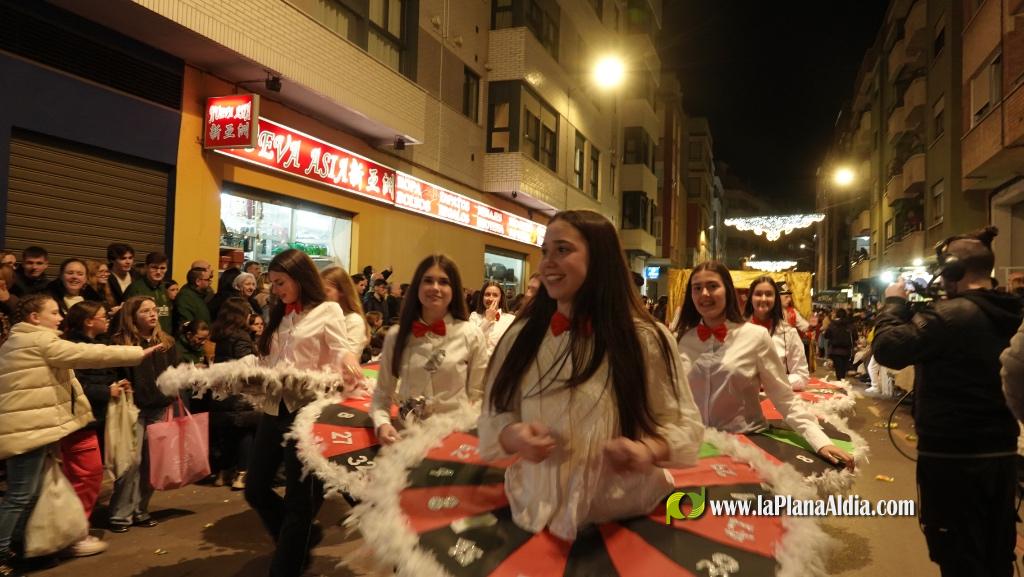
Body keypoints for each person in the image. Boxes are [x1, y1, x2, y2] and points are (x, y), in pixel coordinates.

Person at [478, 210, 704, 541]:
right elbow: (495, 411)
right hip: (531, 507)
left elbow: (684, 423)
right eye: (545, 252)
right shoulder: (522, 335)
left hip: (623, 514)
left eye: (562, 250)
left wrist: (649, 450)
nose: (546, 264)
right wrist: (514, 436)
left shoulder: (646, 339)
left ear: (599, 258)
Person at [874, 226, 1023, 577]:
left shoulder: (948, 316)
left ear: (954, 270)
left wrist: (893, 303)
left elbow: (887, 349)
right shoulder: (1013, 312)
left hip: (952, 460)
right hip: (1001, 454)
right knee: (995, 551)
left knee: (957, 555)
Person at [0, 295, 155, 574]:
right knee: (20, 495)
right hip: (27, 430)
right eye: (53, 312)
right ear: (35, 318)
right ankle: (2, 553)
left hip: (30, 428)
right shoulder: (38, 340)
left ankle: (18, 548)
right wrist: (134, 353)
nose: (60, 317)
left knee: (29, 493)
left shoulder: (19, 340)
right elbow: (86, 354)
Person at [246, 249, 362, 577]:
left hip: (308, 411)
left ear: (299, 277)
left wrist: (349, 363)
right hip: (274, 407)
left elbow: (342, 350)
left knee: (300, 503)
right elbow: (271, 359)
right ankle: (298, 538)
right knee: (255, 488)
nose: (276, 289)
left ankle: (288, 562)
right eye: (272, 284)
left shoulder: (328, 310)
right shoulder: (279, 312)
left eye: (281, 282)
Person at [675, 261, 853, 468]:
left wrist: (820, 442)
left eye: (713, 286)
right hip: (696, 445)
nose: (704, 293)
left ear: (728, 291)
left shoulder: (755, 337)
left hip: (746, 442)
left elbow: (784, 397)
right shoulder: (682, 339)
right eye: (697, 288)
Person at [372, 255, 487, 445]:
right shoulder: (396, 336)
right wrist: (382, 423)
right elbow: (382, 394)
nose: (435, 287)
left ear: (454, 289)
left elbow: (479, 397)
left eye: (443, 282)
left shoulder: (471, 335)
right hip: (405, 439)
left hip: (454, 440)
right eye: (428, 281)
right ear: (417, 286)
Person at [62, 301, 135, 557]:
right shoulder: (72, 347)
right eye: (103, 316)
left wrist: (115, 384)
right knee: (87, 475)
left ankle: (76, 529)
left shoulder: (97, 344)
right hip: (80, 421)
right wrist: (107, 391)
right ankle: (73, 533)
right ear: (88, 321)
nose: (107, 319)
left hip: (96, 418)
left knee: (87, 474)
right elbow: (74, 385)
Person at [107, 296, 179, 533]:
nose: (152, 314)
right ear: (132, 316)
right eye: (145, 311)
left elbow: (174, 373)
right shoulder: (120, 343)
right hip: (132, 409)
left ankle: (140, 510)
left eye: (154, 310)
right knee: (131, 461)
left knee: (150, 462)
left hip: (159, 407)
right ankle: (120, 514)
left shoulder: (166, 342)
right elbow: (113, 372)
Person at [210, 298, 258, 490]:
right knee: (244, 430)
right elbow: (247, 366)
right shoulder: (241, 336)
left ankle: (222, 473)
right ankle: (242, 474)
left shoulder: (220, 336)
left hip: (220, 391)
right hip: (238, 391)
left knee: (226, 433)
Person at [743, 276, 810, 391]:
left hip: (775, 402)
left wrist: (770, 382)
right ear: (751, 298)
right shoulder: (736, 330)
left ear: (776, 299)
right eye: (758, 294)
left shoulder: (788, 332)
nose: (763, 299)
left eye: (769, 294)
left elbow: (801, 376)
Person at [321, 267, 370, 359]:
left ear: (342, 291)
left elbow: (348, 360)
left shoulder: (353, 320)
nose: (322, 295)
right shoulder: (324, 315)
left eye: (327, 290)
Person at [124, 252, 174, 335]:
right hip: (144, 339)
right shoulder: (135, 288)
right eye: (154, 267)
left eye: (162, 268)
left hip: (164, 338)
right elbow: (128, 317)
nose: (158, 272)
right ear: (146, 267)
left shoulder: (164, 288)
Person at [469, 280, 516, 357]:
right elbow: (471, 341)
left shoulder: (510, 320)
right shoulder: (474, 316)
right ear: (482, 297)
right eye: (487, 294)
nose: (490, 298)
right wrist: (487, 320)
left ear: (500, 298)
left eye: (495, 295)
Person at [174, 267, 213, 331]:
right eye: (207, 280)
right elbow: (187, 324)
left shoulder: (199, 295)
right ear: (198, 281)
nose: (209, 282)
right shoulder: (185, 297)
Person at [824, 309, 855, 381]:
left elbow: (826, 335)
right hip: (847, 351)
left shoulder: (832, 324)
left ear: (837, 314)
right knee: (843, 370)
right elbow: (855, 336)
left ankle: (840, 382)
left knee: (838, 370)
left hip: (835, 350)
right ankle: (842, 381)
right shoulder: (850, 325)